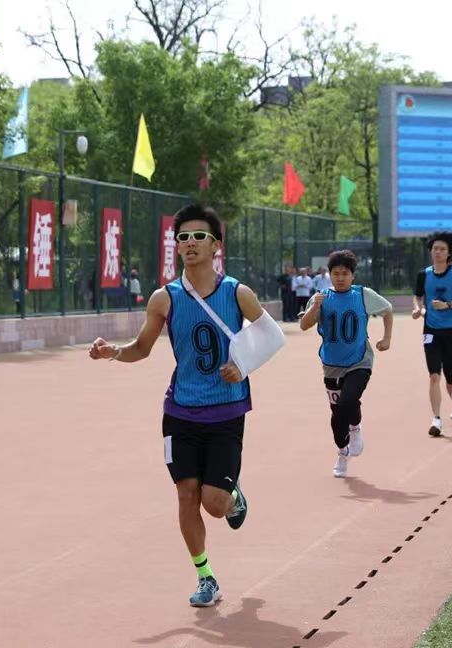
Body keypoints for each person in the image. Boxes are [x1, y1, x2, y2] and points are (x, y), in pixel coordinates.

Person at [88, 204, 284, 607]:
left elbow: (272, 335)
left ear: (216, 245)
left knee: (214, 504)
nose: (190, 243)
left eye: (199, 236)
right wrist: (114, 352)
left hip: (227, 412)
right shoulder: (165, 298)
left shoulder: (237, 293)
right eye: (182, 237)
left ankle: (233, 497)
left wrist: (243, 365)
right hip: (180, 413)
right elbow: (142, 348)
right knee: (185, 494)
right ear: (176, 246)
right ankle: (205, 576)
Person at [300, 250, 394, 477]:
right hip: (331, 364)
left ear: (353, 275)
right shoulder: (320, 297)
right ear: (329, 275)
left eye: (345, 274)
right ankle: (342, 452)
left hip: (359, 360)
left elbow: (388, 310)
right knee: (337, 414)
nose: (340, 278)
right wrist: (315, 308)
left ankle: (356, 427)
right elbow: (304, 325)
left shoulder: (363, 295)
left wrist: (387, 338)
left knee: (349, 400)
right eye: (336, 273)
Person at [412, 231, 452, 437]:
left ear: (449, 253)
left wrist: (447, 305)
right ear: (430, 251)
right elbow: (417, 297)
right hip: (431, 330)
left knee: (450, 377)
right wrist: (418, 309)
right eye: (435, 249)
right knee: (434, 376)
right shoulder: (423, 275)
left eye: (442, 249)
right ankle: (436, 419)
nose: (438, 252)